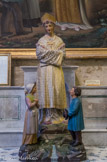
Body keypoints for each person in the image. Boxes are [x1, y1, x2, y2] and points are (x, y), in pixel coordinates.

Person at [36, 13, 67, 125]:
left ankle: (58, 116)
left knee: (56, 91)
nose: (48, 28)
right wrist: (55, 54)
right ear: (44, 28)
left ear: (54, 26)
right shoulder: (41, 41)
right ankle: (47, 116)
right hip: (45, 71)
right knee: (47, 92)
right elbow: (40, 55)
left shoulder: (59, 40)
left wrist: (49, 54)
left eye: (50, 26)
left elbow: (62, 55)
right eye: (46, 27)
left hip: (56, 70)